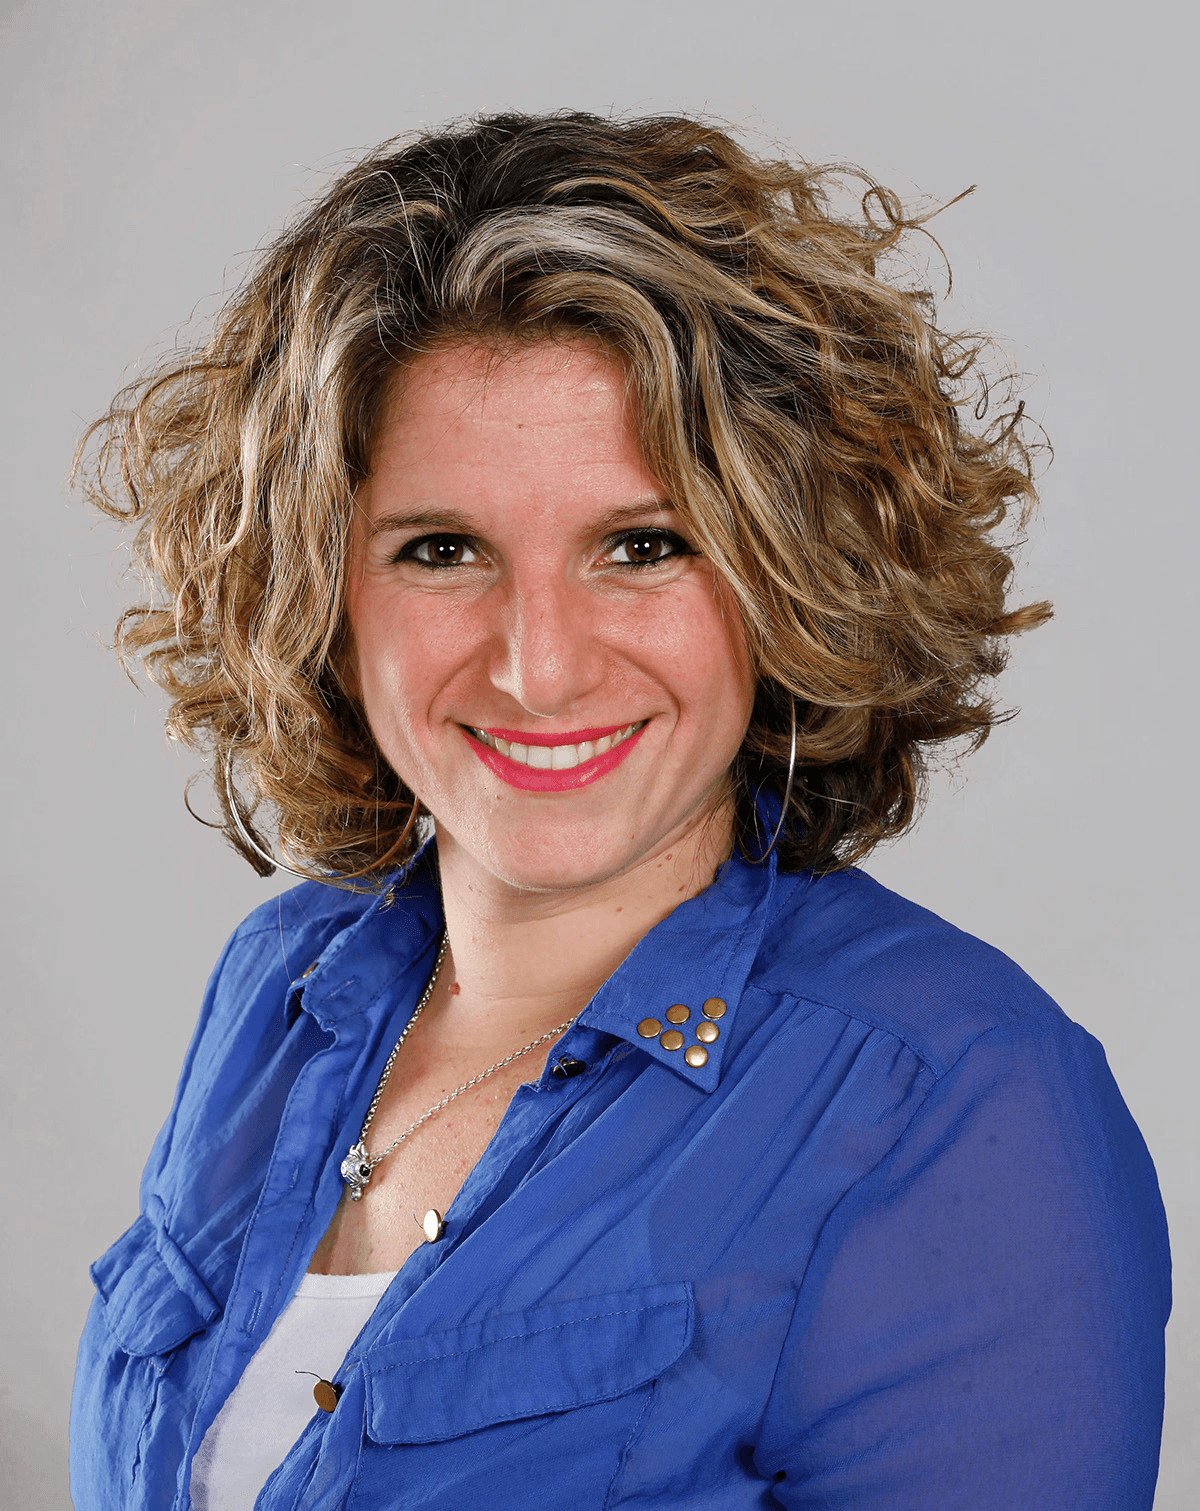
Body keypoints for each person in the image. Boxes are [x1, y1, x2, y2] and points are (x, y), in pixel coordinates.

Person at [69, 111, 1170, 1510]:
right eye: (441, 547)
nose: (540, 662)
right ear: (323, 598)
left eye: (641, 547)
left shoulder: (952, 1105)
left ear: (787, 578)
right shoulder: (281, 989)